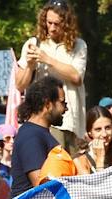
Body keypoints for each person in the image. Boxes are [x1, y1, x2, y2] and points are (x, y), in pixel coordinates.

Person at [15, 0, 87, 149]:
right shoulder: (34, 43)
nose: (52, 28)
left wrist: (47, 59)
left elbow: (77, 77)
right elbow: (19, 85)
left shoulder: (79, 45)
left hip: (70, 120)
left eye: (57, 24)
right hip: (43, 119)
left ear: (67, 23)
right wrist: (29, 65)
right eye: (49, 23)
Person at [8, 74, 64, 196]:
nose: (66, 109)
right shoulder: (31, 136)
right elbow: (41, 185)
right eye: (62, 103)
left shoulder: (39, 133)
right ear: (48, 104)